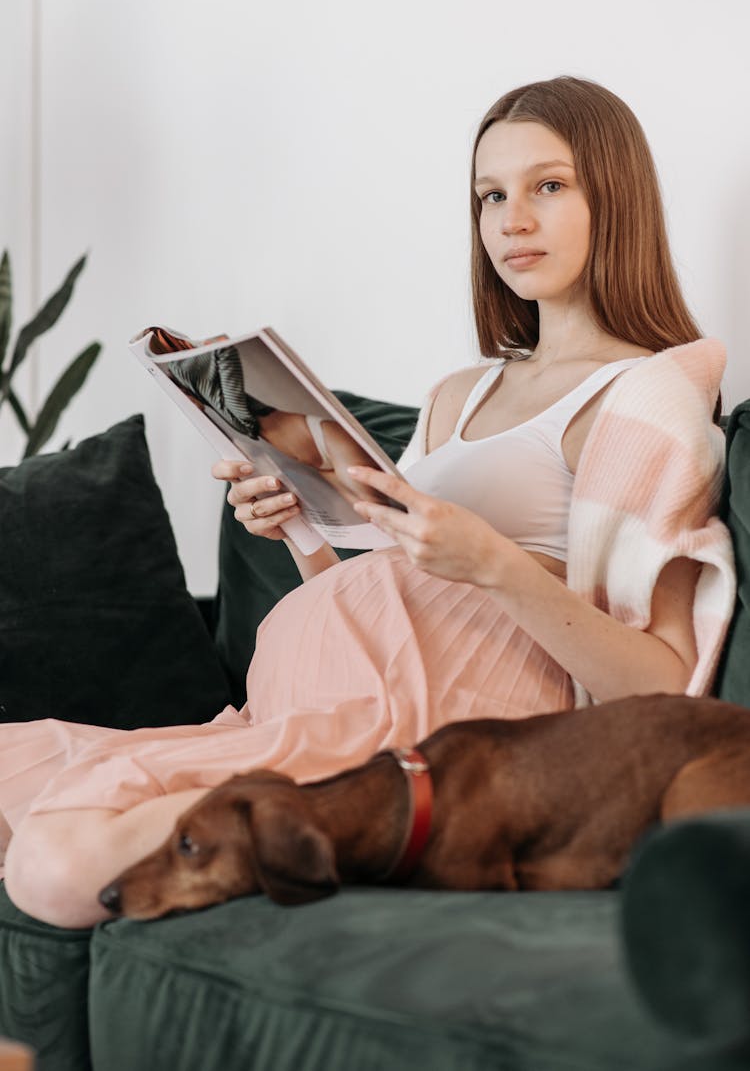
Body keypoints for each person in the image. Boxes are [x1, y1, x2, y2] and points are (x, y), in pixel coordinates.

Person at [0, 76, 735, 929]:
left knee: (56, 868)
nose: (511, 220)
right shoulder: (458, 393)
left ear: (617, 196)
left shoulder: (646, 397)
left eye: (548, 186)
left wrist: (493, 563)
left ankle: (305, 831)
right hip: (314, 704)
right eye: (490, 196)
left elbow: (667, 686)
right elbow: (382, 592)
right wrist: (300, 528)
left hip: (434, 734)